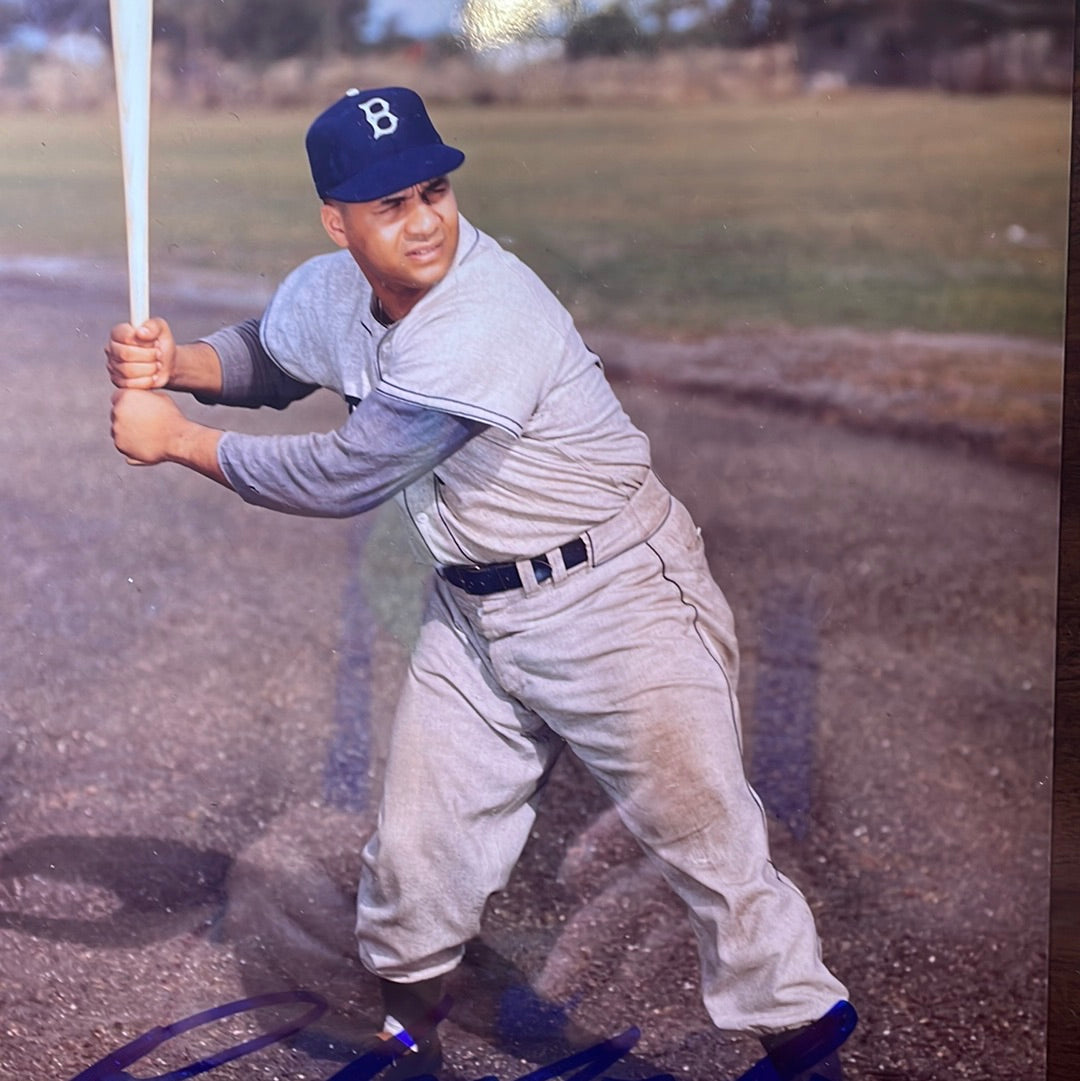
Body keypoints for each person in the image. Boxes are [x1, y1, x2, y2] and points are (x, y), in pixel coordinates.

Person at [106, 86, 854, 1081]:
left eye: (434, 191)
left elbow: (346, 473)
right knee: (420, 847)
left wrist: (179, 440)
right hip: (474, 609)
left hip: (616, 597)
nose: (423, 222)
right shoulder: (335, 288)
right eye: (389, 205)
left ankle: (807, 1042)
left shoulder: (486, 309)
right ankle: (410, 1044)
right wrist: (182, 361)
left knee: (703, 839)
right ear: (337, 221)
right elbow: (276, 355)